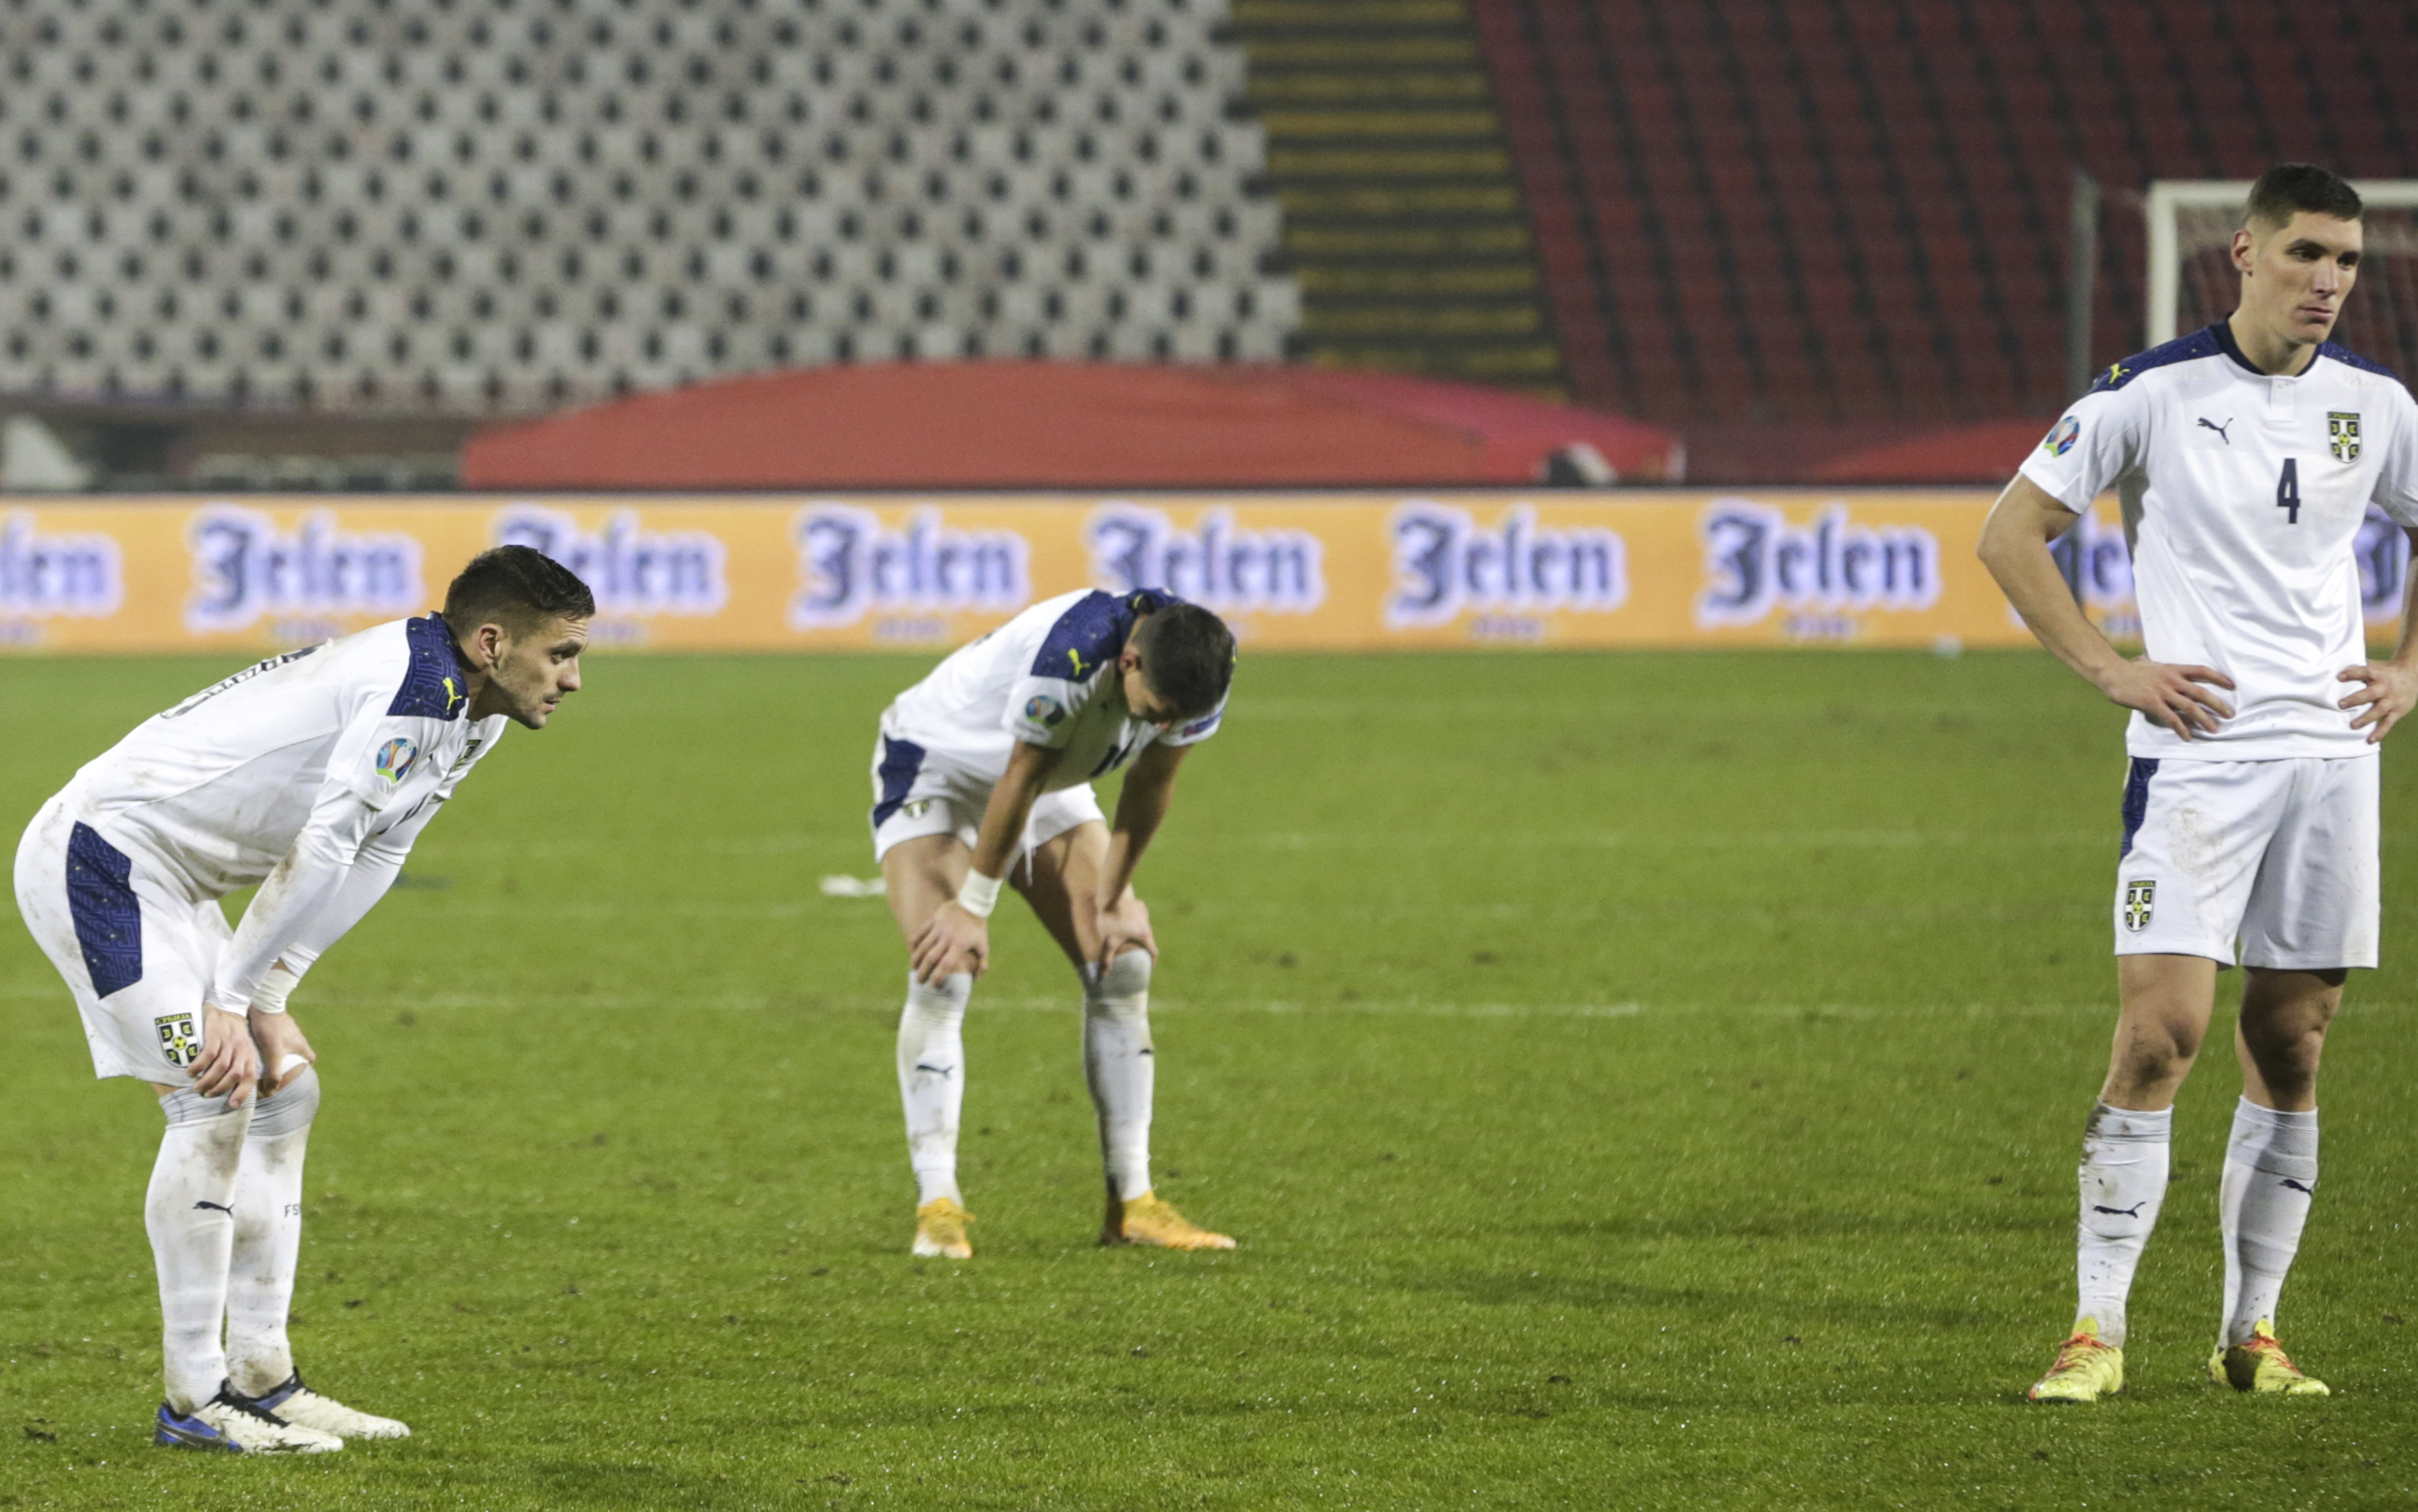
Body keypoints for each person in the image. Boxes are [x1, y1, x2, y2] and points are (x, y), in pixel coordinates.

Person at [1979, 164, 2418, 1403]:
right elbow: (2010, 532)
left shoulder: (2379, 405)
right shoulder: (2149, 393)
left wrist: (2408, 668)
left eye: (2345, 261)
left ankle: (2254, 1330)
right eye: (2305, 255)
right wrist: (2113, 669)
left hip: (2333, 762)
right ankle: (2094, 1328)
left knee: (2294, 1038)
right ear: (2243, 252)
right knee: (2161, 1034)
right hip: (2198, 761)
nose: (2327, 281)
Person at [12, 546, 593, 1452]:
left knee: (285, 1090)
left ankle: (262, 1377)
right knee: (214, 1089)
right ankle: (193, 1401)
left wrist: (269, 993)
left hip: (177, 883)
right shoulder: (414, 693)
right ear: (491, 641)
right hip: (104, 860)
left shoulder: (469, 713)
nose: (574, 677)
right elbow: (323, 845)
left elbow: (376, 853)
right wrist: (232, 998)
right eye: (560, 653)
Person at [870, 586, 1237, 1259]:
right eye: (1152, 713)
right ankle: (938, 1205)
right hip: (940, 770)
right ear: (1126, 662)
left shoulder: (1199, 667)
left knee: (1121, 959)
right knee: (943, 968)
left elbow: (1151, 782)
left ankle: (1132, 1203)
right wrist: (972, 907)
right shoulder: (1069, 657)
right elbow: (1018, 774)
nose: (1159, 726)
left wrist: (1116, 895)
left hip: (1049, 777)